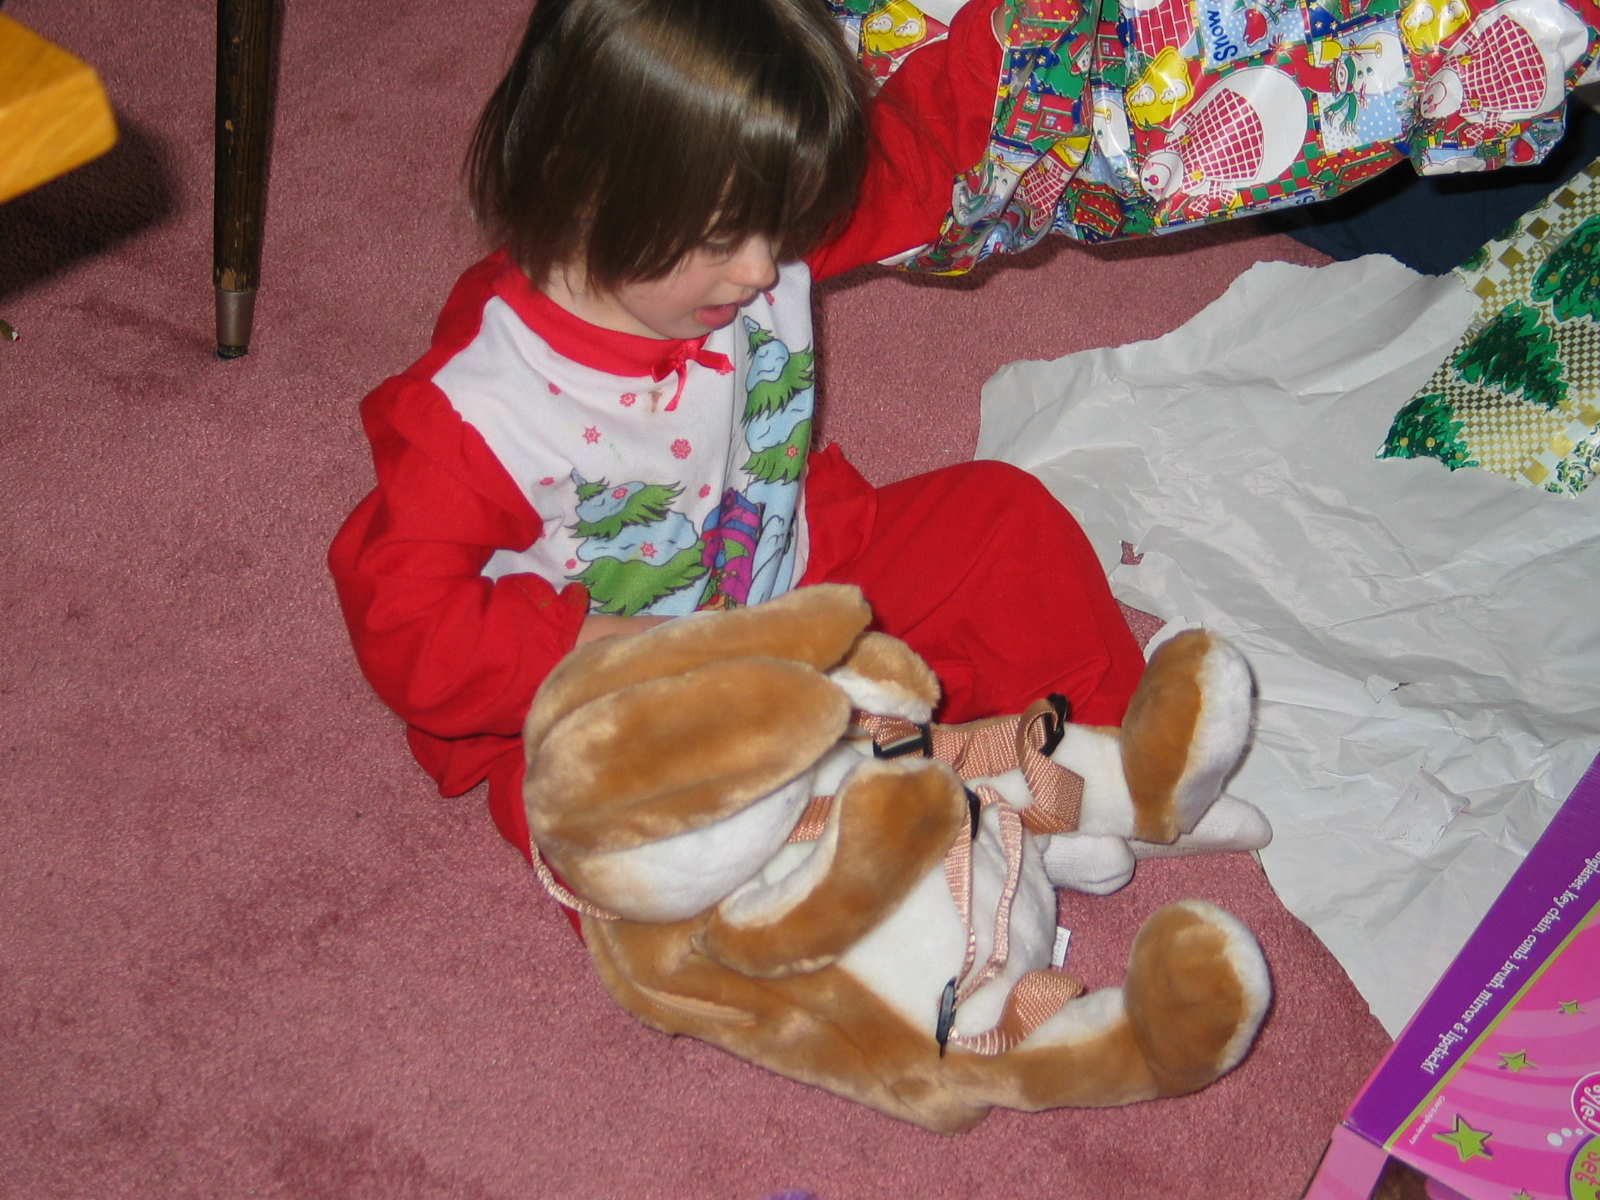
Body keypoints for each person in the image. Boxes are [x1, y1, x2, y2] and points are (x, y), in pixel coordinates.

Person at [328, 0, 1145, 862]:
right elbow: (404, 623)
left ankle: (1121, 765)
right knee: (661, 837)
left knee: (1003, 520)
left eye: (780, 223)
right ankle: (881, 853)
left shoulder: (748, 229)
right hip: (627, 702)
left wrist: (1010, 43)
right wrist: (608, 649)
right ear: (585, 190)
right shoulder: (481, 408)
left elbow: (912, 159)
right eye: (725, 239)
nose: (762, 267)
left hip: (791, 581)